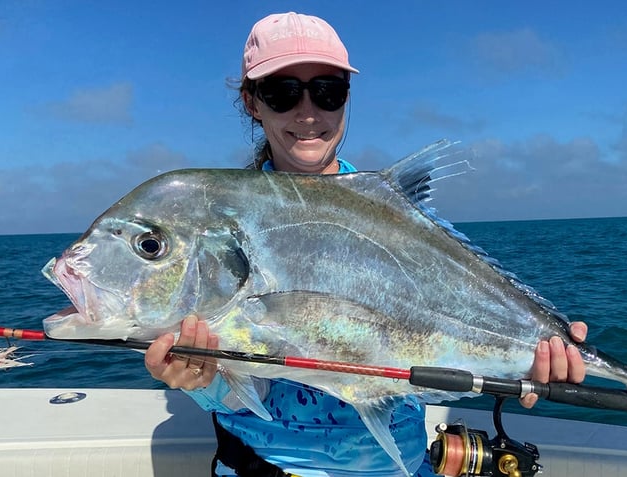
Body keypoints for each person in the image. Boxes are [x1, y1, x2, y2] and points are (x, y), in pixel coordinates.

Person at [144, 12, 588, 477]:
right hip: (265, 467)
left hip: (397, 466)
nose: (308, 111)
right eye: (282, 92)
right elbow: (244, 396)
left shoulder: (400, 215)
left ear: (346, 97)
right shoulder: (218, 223)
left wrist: (528, 364)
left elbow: (450, 330)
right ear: (252, 102)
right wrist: (202, 381)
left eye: (328, 91)